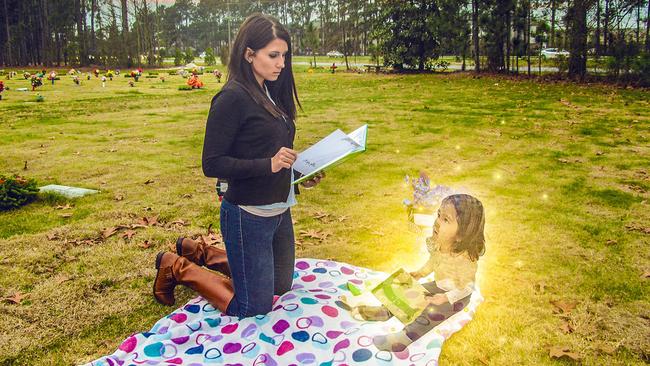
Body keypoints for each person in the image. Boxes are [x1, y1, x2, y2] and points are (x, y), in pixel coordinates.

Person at [153, 13, 324, 318]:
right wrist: (268, 165)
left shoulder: (271, 89)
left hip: (279, 210)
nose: (281, 63)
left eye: (284, 55)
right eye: (273, 55)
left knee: (280, 286)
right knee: (253, 306)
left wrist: (300, 176)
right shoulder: (232, 98)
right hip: (248, 215)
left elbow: (270, 153)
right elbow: (212, 163)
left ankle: (200, 251)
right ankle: (176, 266)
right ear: (249, 54)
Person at [347, 194, 486, 352]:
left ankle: (403, 338)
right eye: (439, 215)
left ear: (462, 235)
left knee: (430, 312)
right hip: (440, 285)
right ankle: (385, 311)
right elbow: (433, 263)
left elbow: (467, 287)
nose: (438, 222)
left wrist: (445, 298)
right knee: (410, 290)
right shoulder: (441, 245)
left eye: (446, 220)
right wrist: (420, 273)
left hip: (456, 296)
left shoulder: (465, 260)